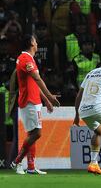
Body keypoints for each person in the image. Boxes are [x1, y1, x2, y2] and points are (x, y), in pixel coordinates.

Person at [11, 35, 60, 175]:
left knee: (32, 133)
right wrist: (50, 96)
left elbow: (34, 83)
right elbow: (38, 79)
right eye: (35, 41)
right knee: (36, 133)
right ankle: (17, 161)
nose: (37, 43)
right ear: (31, 43)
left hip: (34, 100)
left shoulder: (29, 58)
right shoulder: (25, 58)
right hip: (29, 101)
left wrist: (46, 100)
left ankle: (31, 166)